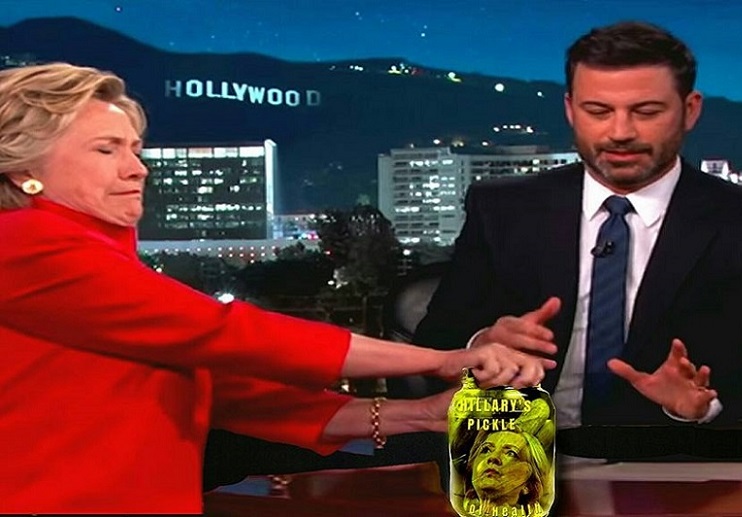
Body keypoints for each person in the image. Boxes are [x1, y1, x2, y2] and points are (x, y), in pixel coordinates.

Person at [0, 62, 554, 514]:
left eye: (135, 149)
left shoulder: (94, 259)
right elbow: (226, 332)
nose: (137, 168)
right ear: (26, 167)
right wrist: (444, 358)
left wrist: (425, 413)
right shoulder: (24, 242)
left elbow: (236, 396)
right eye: (107, 150)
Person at [414, 21, 742, 429]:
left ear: (690, 110)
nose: (620, 133)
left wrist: (701, 407)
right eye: (598, 111)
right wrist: (482, 343)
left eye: (647, 112)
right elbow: (435, 341)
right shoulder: (502, 210)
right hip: (518, 449)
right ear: (570, 109)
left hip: (674, 452)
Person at [454, 429, 552, 516]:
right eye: (486, 450)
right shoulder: (457, 508)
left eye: (511, 453)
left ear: (529, 485)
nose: (493, 457)